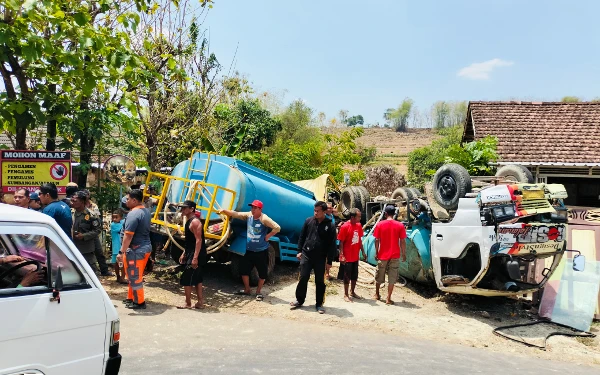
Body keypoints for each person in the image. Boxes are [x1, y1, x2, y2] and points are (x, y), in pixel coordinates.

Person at [219, 200, 280, 301]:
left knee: (262, 273)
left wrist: (268, 236)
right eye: (252, 207)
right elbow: (236, 214)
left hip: (261, 251)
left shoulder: (264, 218)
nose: (253, 209)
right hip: (249, 250)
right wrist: (224, 211)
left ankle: (258, 292)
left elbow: (277, 228)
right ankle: (247, 289)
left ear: (260, 209)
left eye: (255, 208)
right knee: (243, 271)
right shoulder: (249, 215)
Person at [290, 201, 337, 314]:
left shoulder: (330, 225)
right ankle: (299, 300)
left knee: (319, 281)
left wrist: (329, 261)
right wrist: (299, 251)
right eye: (314, 210)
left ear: (324, 212)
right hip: (306, 254)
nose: (315, 213)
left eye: (318, 211)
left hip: (320, 258)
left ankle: (319, 304)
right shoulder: (308, 221)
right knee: (303, 277)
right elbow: (302, 237)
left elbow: (332, 244)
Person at [117, 189, 152, 310]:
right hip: (142, 248)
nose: (126, 201)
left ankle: (139, 302)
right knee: (133, 275)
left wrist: (121, 252)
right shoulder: (145, 211)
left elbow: (128, 235)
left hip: (137, 250)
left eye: (128, 199)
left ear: (134, 200)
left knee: (135, 277)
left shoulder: (134, 214)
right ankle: (131, 298)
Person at [373, 205, 407, 305]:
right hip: (395, 255)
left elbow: (376, 240)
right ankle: (388, 298)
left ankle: (377, 294)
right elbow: (402, 241)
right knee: (392, 277)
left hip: (382, 254)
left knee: (379, 274)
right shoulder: (400, 225)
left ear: (386, 213)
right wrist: (403, 254)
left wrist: (376, 252)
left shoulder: (380, 224)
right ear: (394, 214)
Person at [177, 200, 207, 309]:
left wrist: (195, 258)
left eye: (185, 208)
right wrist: (184, 252)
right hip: (192, 252)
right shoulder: (189, 221)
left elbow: (198, 241)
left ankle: (188, 303)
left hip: (196, 254)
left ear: (192, 209)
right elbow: (190, 241)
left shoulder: (195, 222)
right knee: (197, 279)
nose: (183, 210)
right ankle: (200, 302)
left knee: (187, 279)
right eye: (182, 208)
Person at [337, 208, 366, 302]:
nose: (360, 218)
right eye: (359, 216)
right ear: (353, 217)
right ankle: (345, 294)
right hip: (348, 256)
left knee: (354, 275)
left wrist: (363, 252)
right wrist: (341, 254)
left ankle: (352, 292)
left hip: (355, 256)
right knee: (347, 276)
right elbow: (341, 242)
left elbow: (360, 240)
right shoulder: (345, 226)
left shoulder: (358, 225)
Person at [71, 191, 102, 271]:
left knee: (90, 272)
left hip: (86, 250)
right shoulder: (70, 213)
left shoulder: (91, 215)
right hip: (72, 248)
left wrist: (84, 236)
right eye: (72, 200)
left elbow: (97, 230)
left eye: (75, 201)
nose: (72, 203)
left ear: (82, 202)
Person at [110, 210, 127, 284]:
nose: (114, 219)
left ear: (120, 218)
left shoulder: (121, 222)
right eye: (113, 217)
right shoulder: (113, 225)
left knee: (119, 263)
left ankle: (120, 277)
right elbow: (123, 227)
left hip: (119, 247)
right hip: (117, 248)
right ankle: (120, 277)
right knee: (120, 263)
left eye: (116, 217)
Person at [325, 202, 339, 280]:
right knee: (325, 257)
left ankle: (327, 273)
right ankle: (325, 273)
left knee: (330, 258)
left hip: (332, 241)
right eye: (328, 208)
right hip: (326, 241)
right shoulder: (324, 217)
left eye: (330, 208)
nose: (329, 209)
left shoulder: (332, 217)